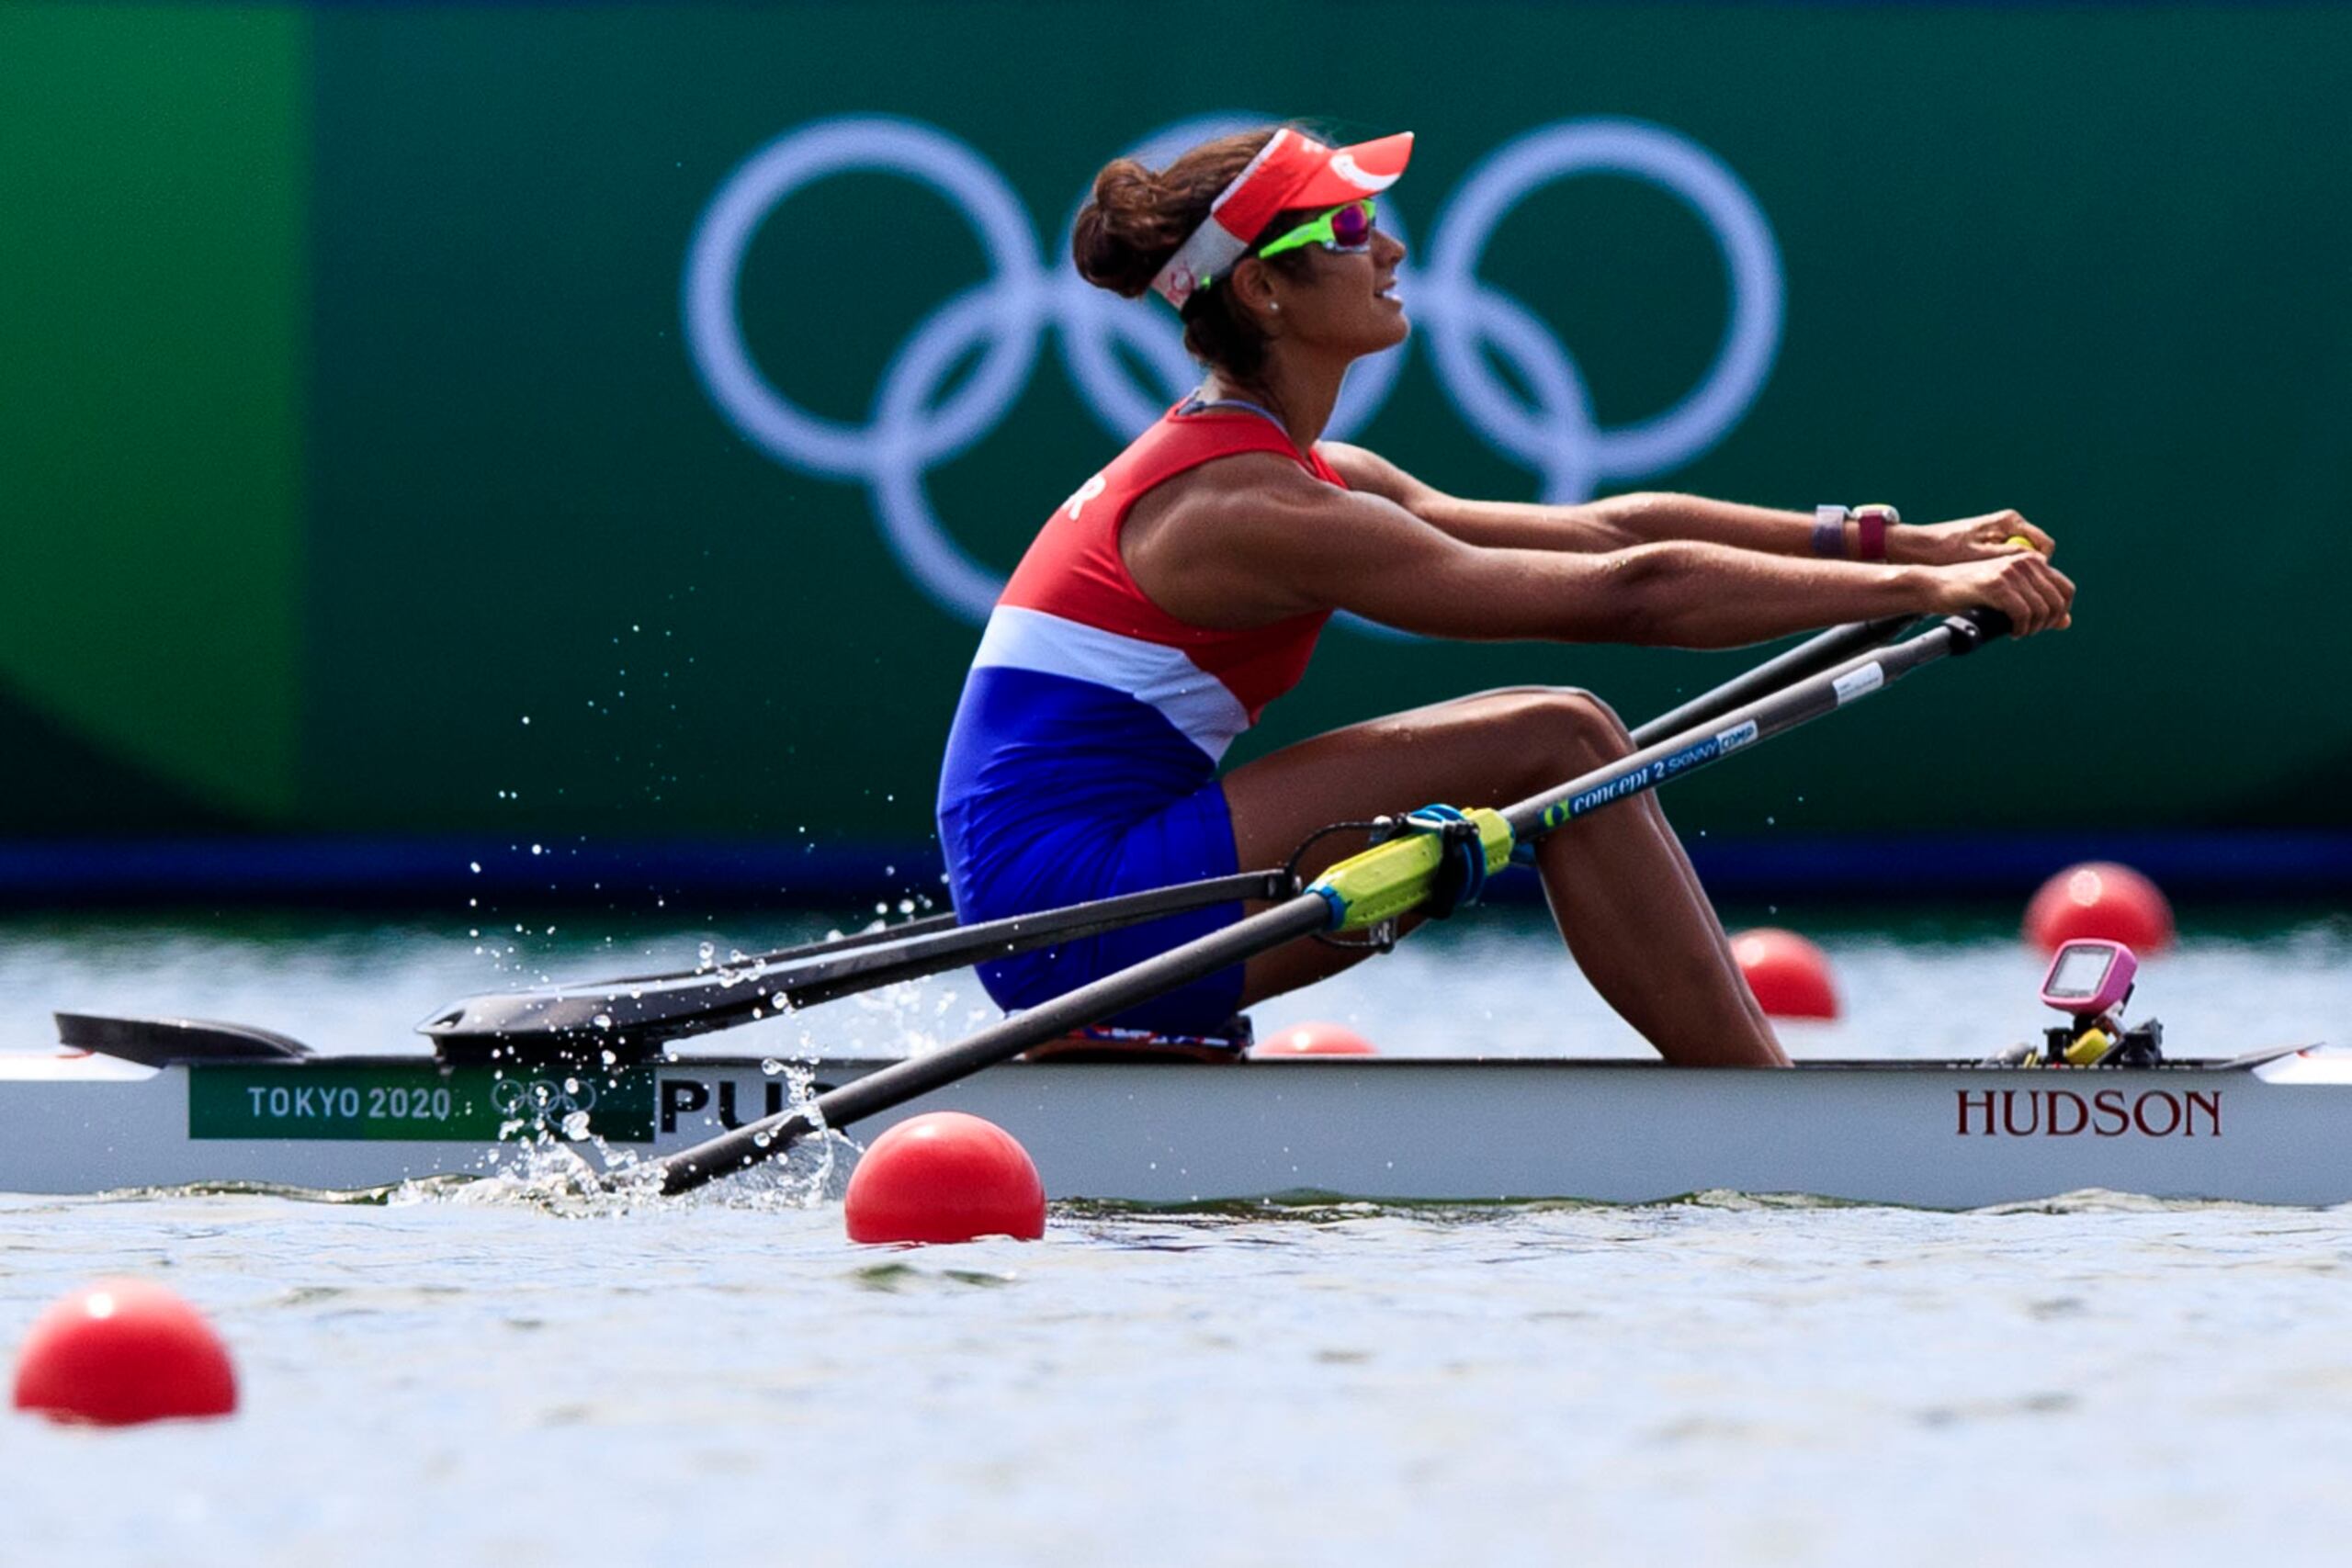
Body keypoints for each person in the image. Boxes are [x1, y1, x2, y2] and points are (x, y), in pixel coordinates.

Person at [935, 126, 2075, 1066]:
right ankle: (1763, 1105)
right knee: (1562, 736)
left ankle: (1750, 1091)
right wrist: (1928, 585)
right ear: (1264, 290)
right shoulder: (1246, 512)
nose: (1383, 246)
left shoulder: (1297, 472)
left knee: (1558, 746)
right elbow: (1630, 595)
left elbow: (1613, 528)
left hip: (1089, 896)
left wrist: (1892, 539)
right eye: (1342, 228)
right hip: (1075, 910)